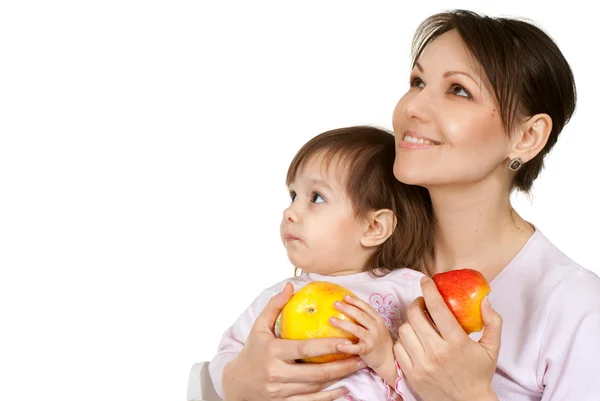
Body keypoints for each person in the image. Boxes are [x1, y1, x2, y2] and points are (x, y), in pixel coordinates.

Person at [213, 9, 600, 401]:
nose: (411, 108)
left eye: (458, 90)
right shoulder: (352, 248)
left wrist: (468, 396)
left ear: (528, 136)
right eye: (417, 81)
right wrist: (235, 384)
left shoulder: (575, 309)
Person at [208, 126, 434, 401]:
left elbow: (443, 384)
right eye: (293, 196)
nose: (290, 212)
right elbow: (228, 354)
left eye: (316, 197)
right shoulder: (282, 299)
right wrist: (236, 383)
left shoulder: (411, 292)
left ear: (374, 226)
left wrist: (386, 357)